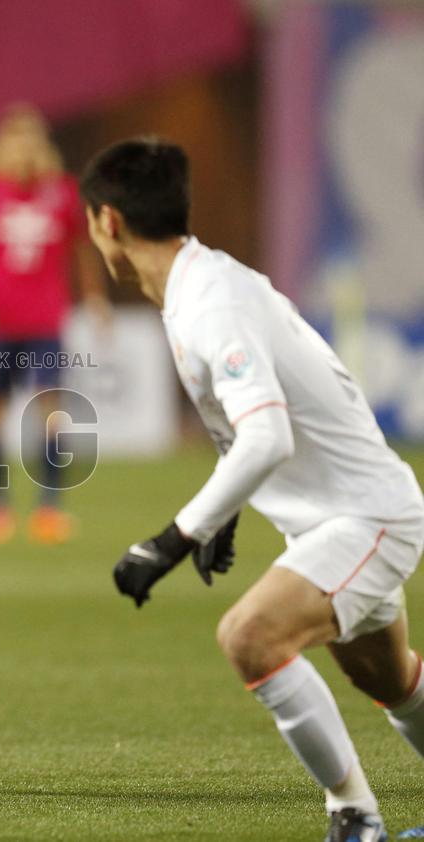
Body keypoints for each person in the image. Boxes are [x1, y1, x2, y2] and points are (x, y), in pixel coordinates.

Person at [81, 137, 424, 841]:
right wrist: (231, 515)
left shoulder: (210, 303)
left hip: (367, 519)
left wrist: (177, 538)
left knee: (251, 638)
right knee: (394, 682)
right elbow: (260, 419)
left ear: (107, 221)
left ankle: (355, 819)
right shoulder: (202, 284)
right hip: (342, 519)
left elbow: (269, 435)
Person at [0, 104, 108, 546]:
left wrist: (95, 298)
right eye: (14, 141)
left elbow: (83, 249)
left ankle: (48, 509)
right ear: (1, 148)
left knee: (52, 417)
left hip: (45, 321)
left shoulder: (63, 193)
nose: (23, 151)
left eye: (30, 141)